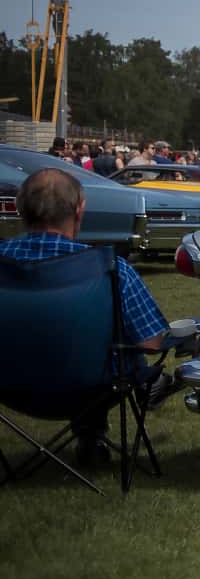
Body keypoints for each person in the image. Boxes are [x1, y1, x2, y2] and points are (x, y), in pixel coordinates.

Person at [0, 168, 175, 465]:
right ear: (80, 210)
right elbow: (151, 342)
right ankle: (93, 437)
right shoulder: (111, 269)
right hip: (92, 387)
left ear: (19, 209)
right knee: (113, 351)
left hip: (9, 386)